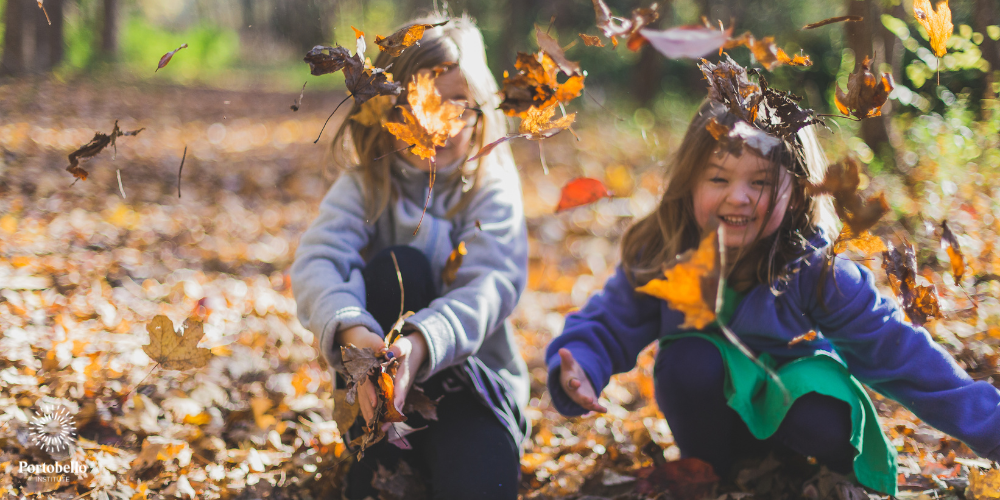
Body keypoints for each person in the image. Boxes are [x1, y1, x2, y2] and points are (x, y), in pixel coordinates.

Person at [545, 98, 1000, 496]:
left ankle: (816, 475)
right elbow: (610, 320)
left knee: (817, 407)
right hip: (714, 420)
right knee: (688, 360)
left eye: (760, 182)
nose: (738, 197)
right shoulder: (667, 251)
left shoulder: (818, 271)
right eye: (718, 178)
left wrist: (991, 428)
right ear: (690, 182)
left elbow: (899, 353)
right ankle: (717, 475)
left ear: (799, 191)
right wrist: (583, 362)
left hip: (800, 413)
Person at [291, 14, 528, 500]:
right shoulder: (364, 186)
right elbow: (320, 261)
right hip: (375, 396)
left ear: (478, 106)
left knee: (483, 484)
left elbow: (491, 284)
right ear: (383, 108)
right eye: (415, 101)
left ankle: (459, 453)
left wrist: (421, 345)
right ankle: (379, 452)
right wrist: (356, 337)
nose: (433, 120)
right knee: (400, 266)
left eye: (454, 102)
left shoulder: (489, 189)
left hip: (472, 391)